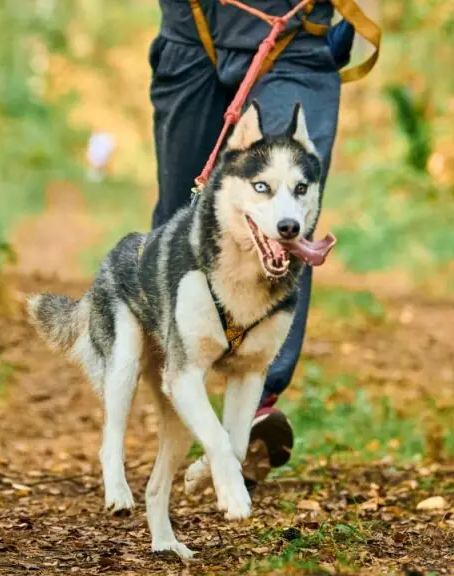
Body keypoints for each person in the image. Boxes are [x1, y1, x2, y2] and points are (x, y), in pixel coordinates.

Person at [147, 0, 366, 486]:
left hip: (295, 35)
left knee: (281, 213)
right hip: (190, 36)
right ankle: (188, 373)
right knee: (183, 217)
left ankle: (254, 400)